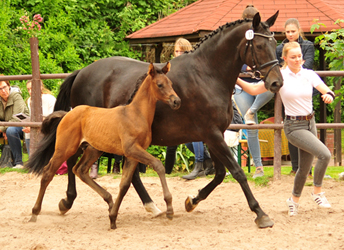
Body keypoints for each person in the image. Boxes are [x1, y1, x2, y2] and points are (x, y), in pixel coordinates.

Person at [236, 41, 334, 216]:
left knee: (304, 168)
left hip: (310, 123)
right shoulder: (280, 76)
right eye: (293, 57)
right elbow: (252, 89)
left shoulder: (309, 75)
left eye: (299, 57)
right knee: (325, 154)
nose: (298, 60)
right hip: (293, 127)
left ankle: (293, 201)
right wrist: (235, 78)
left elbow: (326, 90)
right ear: (285, 58)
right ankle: (317, 192)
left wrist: (328, 96)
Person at [164, 37, 214, 179]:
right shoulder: (171, 67)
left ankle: (199, 165)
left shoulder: (193, 66)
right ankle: (209, 161)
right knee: (186, 141)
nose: (178, 54)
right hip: (182, 107)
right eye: (177, 51)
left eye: (182, 51)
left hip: (196, 107)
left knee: (195, 134)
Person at [275, 18, 317, 176]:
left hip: (305, 91)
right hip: (288, 90)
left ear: (299, 30)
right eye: (287, 32)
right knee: (292, 126)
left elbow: (308, 64)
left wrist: (290, 69)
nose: (290, 34)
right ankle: (295, 166)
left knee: (308, 129)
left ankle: (308, 169)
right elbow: (276, 67)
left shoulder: (308, 46)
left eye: (293, 31)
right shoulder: (280, 48)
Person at [233, 5, 267, 179]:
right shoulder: (239, 38)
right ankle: (259, 167)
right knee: (251, 128)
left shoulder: (262, 35)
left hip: (261, 83)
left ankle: (252, 111)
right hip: (243, 85)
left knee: (274, 86)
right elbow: (232, 60)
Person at [0, 78, 29, 168]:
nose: (3, 91)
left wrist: (3, 128)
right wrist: (4, 128)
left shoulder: (16, 96)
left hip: (22, 126)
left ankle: (19, 162)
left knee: (11, 130)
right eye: (0, 89)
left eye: (4, 87)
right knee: (9, 129)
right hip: (6, 126)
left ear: (8, 86)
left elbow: (17, 118)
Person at [23, 80, 56, 155]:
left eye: (32, 88)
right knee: (28, 133)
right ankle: (32, 156)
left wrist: (36, 124)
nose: (30, 91)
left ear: (40, 87)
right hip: (39, 124)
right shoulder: (29, 101)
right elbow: (33, 117)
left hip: (50, 125)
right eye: (28, 89)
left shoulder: (50, 99)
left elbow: (53, 117)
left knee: (36, 130)